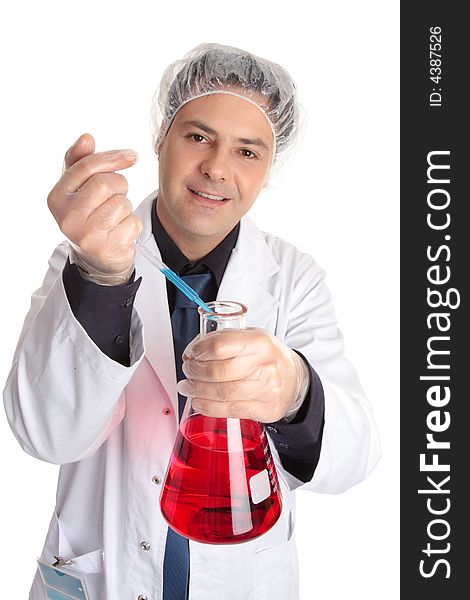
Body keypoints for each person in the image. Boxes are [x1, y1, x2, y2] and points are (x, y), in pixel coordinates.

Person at [3, 43, 380, 600]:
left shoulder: (293, 279)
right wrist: (103, 278)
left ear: (269, 168)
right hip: (103, 575)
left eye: (248, 151)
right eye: (198, 137)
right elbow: (44, 435)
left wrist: (295, 389)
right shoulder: (83, 261)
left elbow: (355, 457)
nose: (217, 169)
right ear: (162, 138)